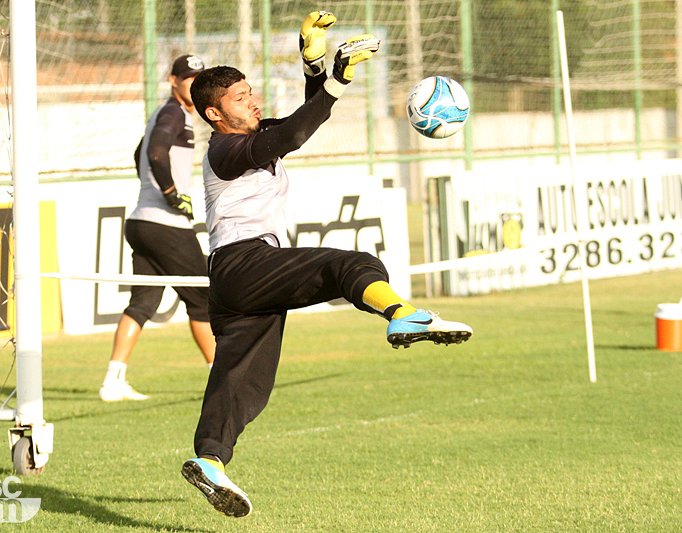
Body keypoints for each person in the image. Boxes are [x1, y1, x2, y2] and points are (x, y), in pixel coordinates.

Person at [180, 12, 472, 517]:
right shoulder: (225, 149)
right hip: (245, 262)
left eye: (250, 92)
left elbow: (305, 118)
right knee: (349, 263)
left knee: (242, 382)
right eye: (240, 98)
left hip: (234, 280)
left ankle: (209, 461)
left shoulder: (250, 136)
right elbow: (292, 136)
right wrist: (336, 78)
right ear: (214, 114)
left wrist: (313, 62)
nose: (253, 100)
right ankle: (403, 315)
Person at [99, 54, 216, 402]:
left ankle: (112, 381)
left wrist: (153, 193)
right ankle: (220, 377)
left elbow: (140, 153)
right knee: (203, 298)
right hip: (165, 224)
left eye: (199, 79)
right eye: (188, 79)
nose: (194, 85)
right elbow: (154, 153)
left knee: (142, 303)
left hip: (141, 221)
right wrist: (170, 194)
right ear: (173, 81)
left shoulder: (166, 112)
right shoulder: (174, 112)